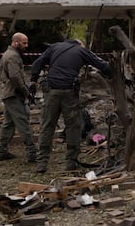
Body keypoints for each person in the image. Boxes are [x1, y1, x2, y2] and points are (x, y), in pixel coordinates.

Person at [30, 39, 113, 173]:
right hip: (69, 93)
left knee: (47, 126)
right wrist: (115, 74)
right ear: (79, 44)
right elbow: (103, 65)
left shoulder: (54, 47)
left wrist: (33, 81)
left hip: (51, 92)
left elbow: (37, 63)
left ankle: (42, 163)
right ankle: (71, 162)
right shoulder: (81, 50)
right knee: (73, 127)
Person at [0, 32, 38, 163]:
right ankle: (32, 153)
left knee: (8, 124)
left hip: (11, 94)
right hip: (13, 95)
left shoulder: (10, 54)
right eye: (24, 43)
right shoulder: (13, 56)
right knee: (23, 123)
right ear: (16, 43)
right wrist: (26, 92)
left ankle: (2, 152)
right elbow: (15, 77)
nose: (27, 45)